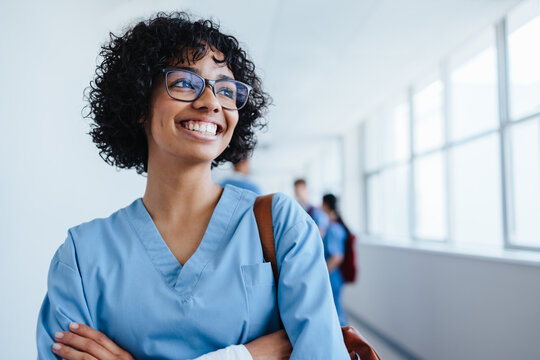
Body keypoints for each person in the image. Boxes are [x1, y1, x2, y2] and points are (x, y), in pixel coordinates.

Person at [36, 12, 349, 360]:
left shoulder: (279, 227)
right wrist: (245, 356)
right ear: (140, 102)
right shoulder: (82, 257)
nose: (211, 102)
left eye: (226, 89)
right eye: (185, 82)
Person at [321, 194, 349, 326]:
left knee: (336, 313)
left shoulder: (333, 229)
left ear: (325, 205)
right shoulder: (333, 226)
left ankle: (343, 342)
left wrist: (322, 273)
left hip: (332, 277)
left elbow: (337, 257)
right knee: (336, 310)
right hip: (335, 277)